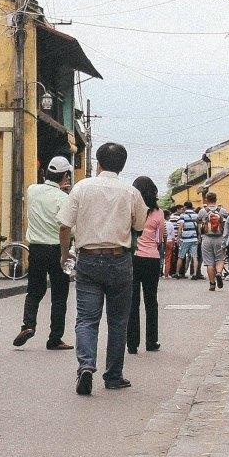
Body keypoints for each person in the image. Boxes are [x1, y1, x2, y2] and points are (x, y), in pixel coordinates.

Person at [58, 141, 148, 396]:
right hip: (120, 259)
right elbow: (139, 225)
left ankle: (86, 366)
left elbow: (64, 225)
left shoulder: (81, 188)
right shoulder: (130, 192)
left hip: (87, 258)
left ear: (98, 163)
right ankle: (114, 375)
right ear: (122, 165)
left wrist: (65, 255)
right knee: (118, 320)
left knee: (87, 318)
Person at [16, 156, 74, 350]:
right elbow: (68, 228)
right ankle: (55, 338)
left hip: (36, 249)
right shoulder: (64, 199)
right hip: (58, 250)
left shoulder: (32, 190)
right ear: (65, 176)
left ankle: (29, 324)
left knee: (34, 290)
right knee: (59, 295)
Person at [127, 176, 164, 355]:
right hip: (152, 259)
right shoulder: (158, 213)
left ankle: (132, 343)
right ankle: (152, 341)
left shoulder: (131, 210)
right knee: (151, 301)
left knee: (132, 302)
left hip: (133, 259)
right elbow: (159, 239)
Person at [197, 192, 229, 290]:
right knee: (220, 259)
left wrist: (200, 236)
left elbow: (198, 223)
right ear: (216, 199)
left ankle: (212, 284)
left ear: (206, 199)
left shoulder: (202, 211)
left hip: (207, 239)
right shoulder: (222, 211)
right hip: (220, 238)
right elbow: (228, 221)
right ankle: (219, 273)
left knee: (209, 262)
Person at [174, 203, 200, 280]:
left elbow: (180, 227)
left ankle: (177, 273)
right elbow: (198, 227)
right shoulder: (196, 215)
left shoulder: (183, 216)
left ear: (185, 207)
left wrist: (178, 238)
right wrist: (199, 236)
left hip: (185, 239)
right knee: (195, 257)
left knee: (181, 256)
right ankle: (195, 274)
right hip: (194, 238)